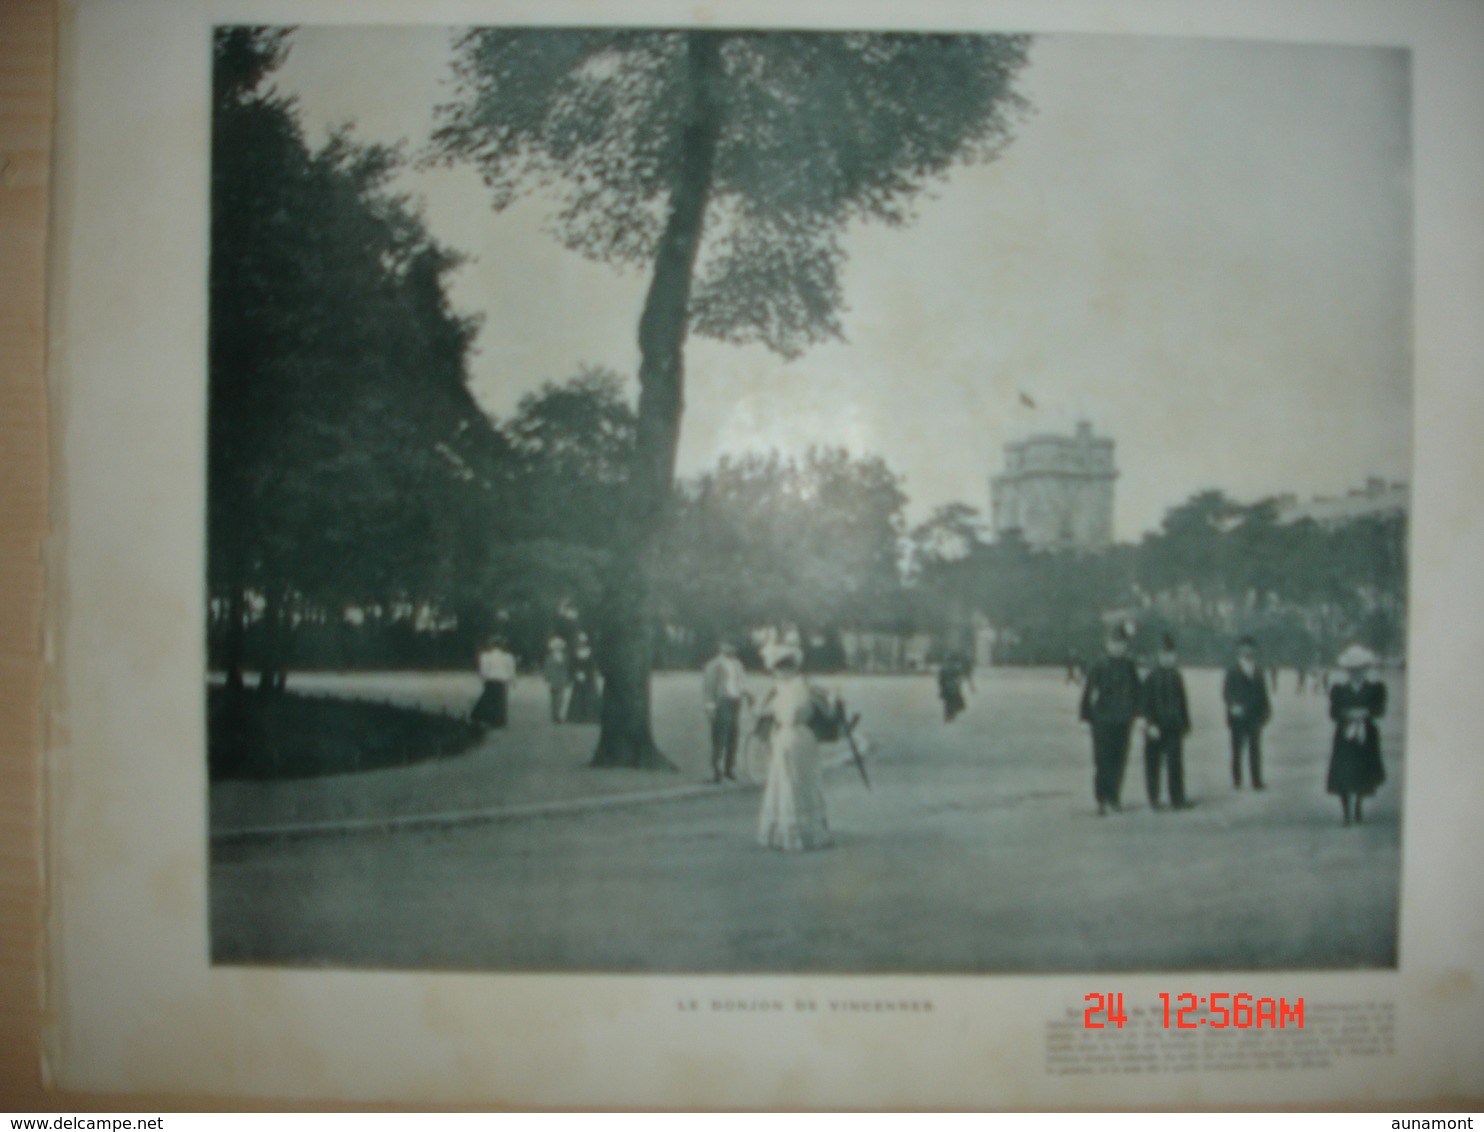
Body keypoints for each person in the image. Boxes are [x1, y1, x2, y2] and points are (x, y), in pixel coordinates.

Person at [756, 646, 832, 852]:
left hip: (794, 738)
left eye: (784, 667)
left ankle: (798, 833)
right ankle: (795, 831)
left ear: (791, 668)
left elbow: (779, 713)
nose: (781, 672)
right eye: (779, 668)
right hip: (794, 737)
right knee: (791, 782)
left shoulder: (797, 689)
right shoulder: (796, 687)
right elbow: (761, 711)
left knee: (795, 783)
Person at [1079, 626, 1142, 815]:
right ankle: (1103, 798)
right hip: (1103, 721)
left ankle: (1114, 797)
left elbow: (1137, 691)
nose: (1118, 647)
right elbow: (1089, 692)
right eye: (1114, 643)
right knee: (1103, 760)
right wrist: (1088, 716)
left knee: (1119, 759)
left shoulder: (1129, 666)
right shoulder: (1099, 665)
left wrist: (1138, 713)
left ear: (1126, 645)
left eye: (1121, 643)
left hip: (1123, 720)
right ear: (1107, 644)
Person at [1326, 644, 1387, 826]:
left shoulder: (1376, 689)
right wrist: (1347, 714)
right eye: (1352, 670)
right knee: (1343, 774)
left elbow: (1379, 710)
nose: (1356, 673)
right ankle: (1346, 813)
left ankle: (1358, 804)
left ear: (1366, 669)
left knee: (1363, 774)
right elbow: (1333, 713)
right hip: (1344, 736)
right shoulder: (1339, 690)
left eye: (1360, 670)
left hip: (1366, 737)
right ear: (1347, 671)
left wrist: (1364, 713)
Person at [1141, 634, 1192, 809]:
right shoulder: (1151, 677)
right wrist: (1150, 724)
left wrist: (1186, 723)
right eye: (1164, 654)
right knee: (1153, 764)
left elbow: (1183, 702)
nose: (1167, 658)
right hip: (1156, 728)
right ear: (1158, 656)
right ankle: (1154, 798)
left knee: (1175, 764)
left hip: (1173, 727)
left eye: (1170, 654)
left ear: (1175, 656)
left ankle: (1177, 798)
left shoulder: (1177, 677)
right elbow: (1145, 704)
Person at [1223, 636, 1272, 789]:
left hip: (1254, 715)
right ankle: (1237, 780)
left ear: (1254, 650)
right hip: (1238, 716)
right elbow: (1226, 692)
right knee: (1237, 749)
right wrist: (1233, 705)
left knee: (1255, 749)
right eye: (1244, 648)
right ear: (1239, 650)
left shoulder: (1258, 670)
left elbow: (1263, 692)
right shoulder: (1232, 670)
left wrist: (1266, 710)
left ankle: (1256, 780)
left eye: (1250, 648)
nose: (1247, 651)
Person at [702, 637, 750, 783]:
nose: (731, 649)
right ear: (721, 646)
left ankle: (730, 768)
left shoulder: (737, 663)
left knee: (733, 735)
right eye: (728, 645)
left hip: (735, 702)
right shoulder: (714, 664)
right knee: (719, 736)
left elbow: (741, 682)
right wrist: (710, 706)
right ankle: (716, 770)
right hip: (721, 702)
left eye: (733, 646)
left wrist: (747, 694)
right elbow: (709, 687)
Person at [470, 636, 516, 728]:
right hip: (502, 680)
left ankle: (490, 719)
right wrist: (513, 680)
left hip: (491, 679)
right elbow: (511, 669)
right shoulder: (508, 657)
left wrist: (484, 679)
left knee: (490, 700)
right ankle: (501, 720)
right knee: (501, 700)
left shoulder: (486, 656)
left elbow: (484, 669)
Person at [566, 633, 601, 724]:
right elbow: (572, 664)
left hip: (589, 677)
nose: (582, 643)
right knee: (578, 696)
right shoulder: (575, 652)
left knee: (590, 695)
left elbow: (592, 665)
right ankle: (576, 717)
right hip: (579, 677)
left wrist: (589, 674)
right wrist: (577, 673)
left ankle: (590, 717)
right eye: (580, 641)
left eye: (583, 641)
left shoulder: (590, 651)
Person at [542, 636, 571, 724]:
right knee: (553, 698)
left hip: (562, 679)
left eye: (559, 646)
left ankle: (557, 715)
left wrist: (567, 679)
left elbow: (567, 668)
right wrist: (547, 678)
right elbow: (547, 668)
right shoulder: (549, 657)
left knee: (560, 698)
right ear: (553, 647)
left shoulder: (565, 656)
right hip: (553, 679)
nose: (558, 647)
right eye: (556, 646)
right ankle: (554, 715)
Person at [937, 653, 972, 723]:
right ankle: (951, 715)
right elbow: (959, 678)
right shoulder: (956, 667)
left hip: (946, 687)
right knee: (953, 701)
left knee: (947, 702)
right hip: (953, 687)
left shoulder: (943, 668)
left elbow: (940, 679)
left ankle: (948, 715)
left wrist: (942, 687)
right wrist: (958, 685)